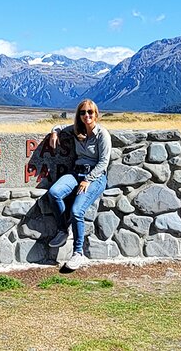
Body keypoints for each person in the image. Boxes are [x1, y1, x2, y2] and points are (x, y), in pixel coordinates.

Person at [47, 99, 111, 270]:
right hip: (76, 172)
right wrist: (54, 133)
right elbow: (59, 127)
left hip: (95, 177)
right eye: (83, 112)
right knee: (54, 193)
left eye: (90, 112)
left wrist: (88, 180)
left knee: (77, 210)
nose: (86, 115)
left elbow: (104, 162)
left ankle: (78, 253)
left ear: (96, 114)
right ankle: (62, 230)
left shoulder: (102, 134)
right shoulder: (77, 131)